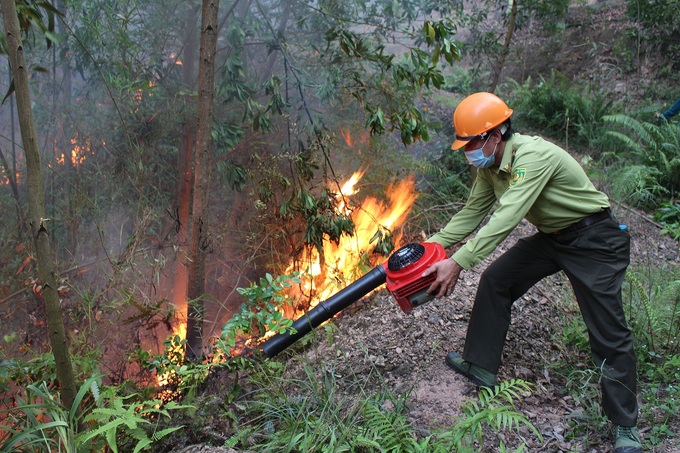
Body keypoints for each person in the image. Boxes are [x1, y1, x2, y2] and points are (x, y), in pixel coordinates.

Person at [422, 92, 641, 453]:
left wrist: (458, 261)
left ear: (496, 134)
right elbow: (471, 215)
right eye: (464, 144)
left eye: (472, 142)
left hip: (594, 239)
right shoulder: (489, 166)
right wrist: (427, 251)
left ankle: (625, 426)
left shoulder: (532, 157)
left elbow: (506, 217)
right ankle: (481, 366)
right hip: (554, 237)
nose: (468, 151)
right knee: (497, 280)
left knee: (608, 332)